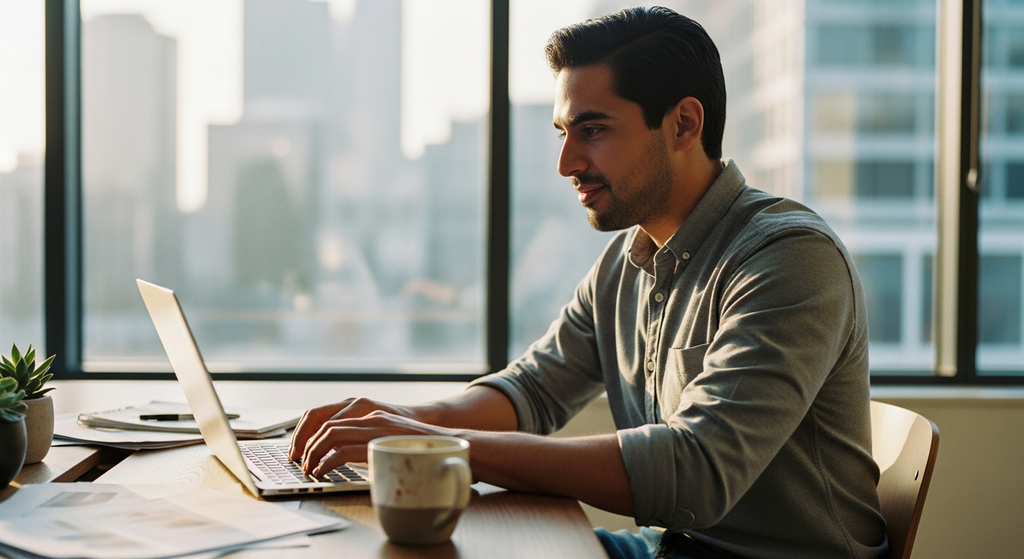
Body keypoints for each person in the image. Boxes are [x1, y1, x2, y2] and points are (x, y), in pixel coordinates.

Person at [289, 6, 888, 559]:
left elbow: (695, 472)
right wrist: (393, 423)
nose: (566, 162)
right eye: (562, 133)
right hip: (667, 548)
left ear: (683, 123)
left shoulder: (788, 259)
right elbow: (531, 394)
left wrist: (437, 447)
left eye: (593, 130)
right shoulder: (624, 264)